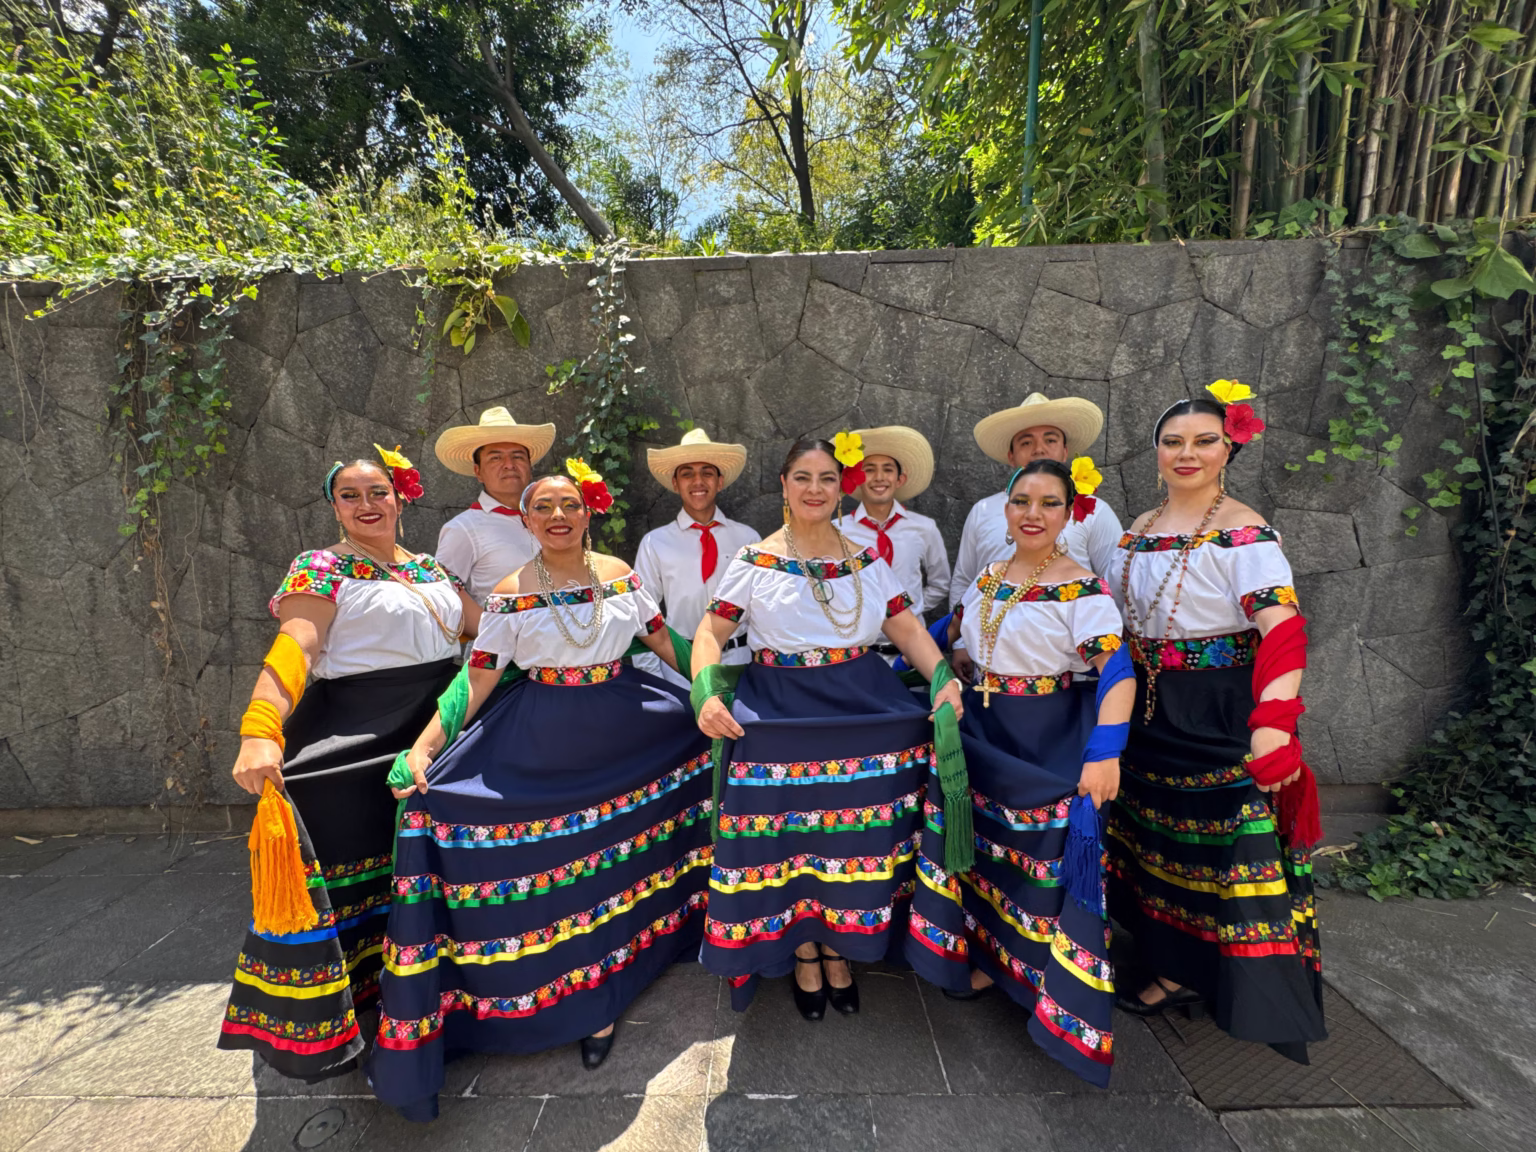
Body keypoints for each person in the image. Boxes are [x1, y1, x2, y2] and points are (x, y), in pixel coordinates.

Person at [370, 462, 714, 1121]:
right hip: (545, 740)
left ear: (588, 513)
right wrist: (423, 747)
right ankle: (581, 1001)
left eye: (570, 504)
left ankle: (634, 967)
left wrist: (714, 695)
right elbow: (477, 678)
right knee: (565, 871)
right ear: (527, 521)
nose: (559, 515)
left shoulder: (619, 574)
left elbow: (666, 642)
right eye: (545, 507)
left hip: (630, 729)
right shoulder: (509, 592)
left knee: (624, 859)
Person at [218, 449, 479, 1081]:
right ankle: (348, 1012)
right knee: (340, 846)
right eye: (351, 495)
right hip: (362, 726)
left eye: (378, 491)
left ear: (399, 497)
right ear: (335, 507)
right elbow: (296, 645)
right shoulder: (321, 567)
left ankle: (449, 989)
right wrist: (260, 728)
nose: (367, 504)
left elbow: (487, 629)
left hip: (440, 720)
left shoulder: (430, 567)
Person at [692, 436, 964, 1021]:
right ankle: (802, 947)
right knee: (789, 840)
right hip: (781, 713)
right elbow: (711, 632)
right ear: (784, 484)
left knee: (855, 839)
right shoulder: (756, 560)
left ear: (842, 489)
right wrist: (705, 693)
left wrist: (943, 678)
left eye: (827, 479)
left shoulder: (866, 559)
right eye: (802, 477)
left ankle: (840, 944)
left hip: (861, 708)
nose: (814, 489)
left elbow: (908, 629)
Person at [1107, 383, 1326, 1065]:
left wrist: (1275, 722)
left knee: (1218, 850)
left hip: (1218, 712)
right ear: (1155, 452)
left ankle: (1206, 977)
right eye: (1172, 441)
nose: (1187, 453)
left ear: (1229, 448)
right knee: (1156, 840)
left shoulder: (1245, 531)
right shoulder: (1139, 527)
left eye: (1204, 441)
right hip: (1147, 708)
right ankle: (1166, 957)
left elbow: (1282, 628)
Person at [906, 459, 1133, 1088]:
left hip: (1045, 740)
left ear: (1070, 513)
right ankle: (991, 958)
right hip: (985, 733)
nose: (1033, 514)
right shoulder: (989, 573)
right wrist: (923, 659)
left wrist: (1106, 752)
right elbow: (954, 632)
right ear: (1004, 509)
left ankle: (1045, 983)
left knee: (1041, 861)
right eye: (1021, 501)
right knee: (991, 855)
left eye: (1049, 502)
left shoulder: (1082, 589)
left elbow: (1117, 674)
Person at [951, 395, 1123, 683]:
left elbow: (1114, 581)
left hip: (1065, 673)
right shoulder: (983, 511)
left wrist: (1104, 657)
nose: (1039, 449)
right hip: (991, 668)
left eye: (1050, 440)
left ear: (1065, 450)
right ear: (1011, 455)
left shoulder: (1094, 511)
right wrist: (959, 643)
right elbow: (964, 579)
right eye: (1026, 442)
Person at [632, 427, 760, 689]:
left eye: (707, 473)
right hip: (680, 667)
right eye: (687, 473)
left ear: (719, 482)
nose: (698, 481)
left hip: (740, 664)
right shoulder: (655, 543)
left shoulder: (747, 539)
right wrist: (656, 679)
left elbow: (762, 609)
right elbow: (643, 614)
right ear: (675, 483)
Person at [839, 426, 952, 663]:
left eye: (888, 469)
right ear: (858, 478)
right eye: (869, 469)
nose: (879, 477)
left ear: (900, 479)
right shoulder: (838, 531)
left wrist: (912, 607)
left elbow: (941, 583)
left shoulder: (924, 528)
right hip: (858, 653)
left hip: (911, 654)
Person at [433, 406, 557, 602]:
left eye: (518, 456)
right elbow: (443, 595)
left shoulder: (553, 519)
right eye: (496, 458)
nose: (509, 464)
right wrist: (486, 622)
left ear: (529, 466)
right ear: (478, 471)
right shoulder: (463, 529)